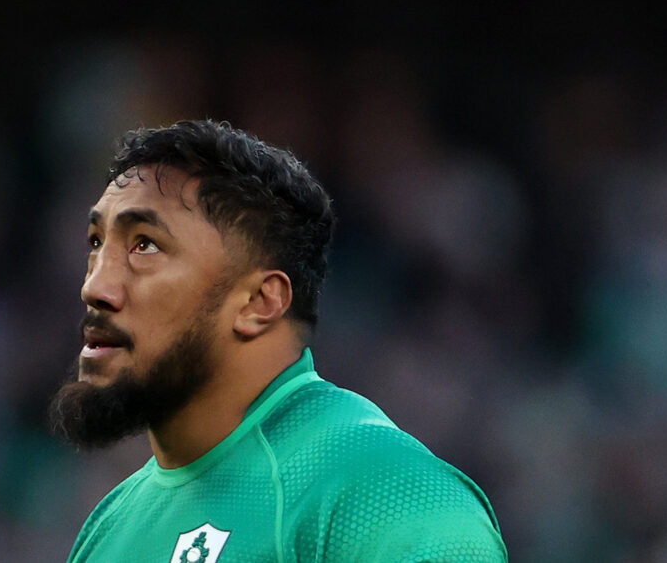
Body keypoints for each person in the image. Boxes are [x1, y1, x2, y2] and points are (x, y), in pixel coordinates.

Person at [51, 119, 508, 563]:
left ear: (258, 302)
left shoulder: (382, 492)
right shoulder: (110, 528)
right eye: (96, 243)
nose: (94, 286)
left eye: (144, 245)